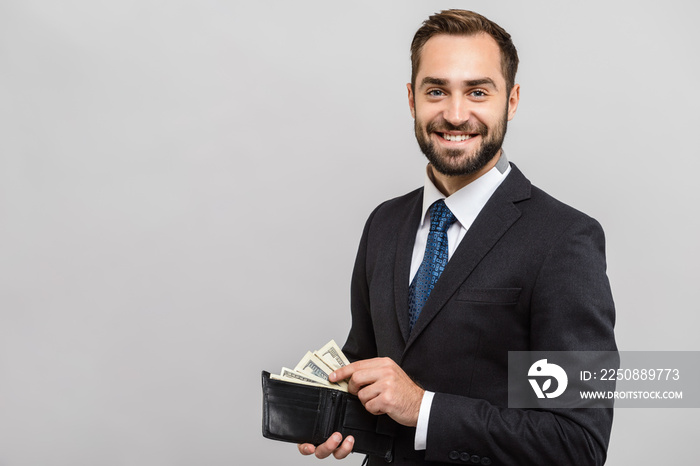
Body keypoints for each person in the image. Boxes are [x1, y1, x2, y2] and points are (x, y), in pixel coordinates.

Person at [299, 9, 616, 465]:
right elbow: (369, 368)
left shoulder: (564, 240)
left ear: (512, 100)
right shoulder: (384, 224)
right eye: (436, 91)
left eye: (478, 91)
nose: (455, 114)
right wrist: (334, 418)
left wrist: (423, 408)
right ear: (412, 99)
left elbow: (577, 442)